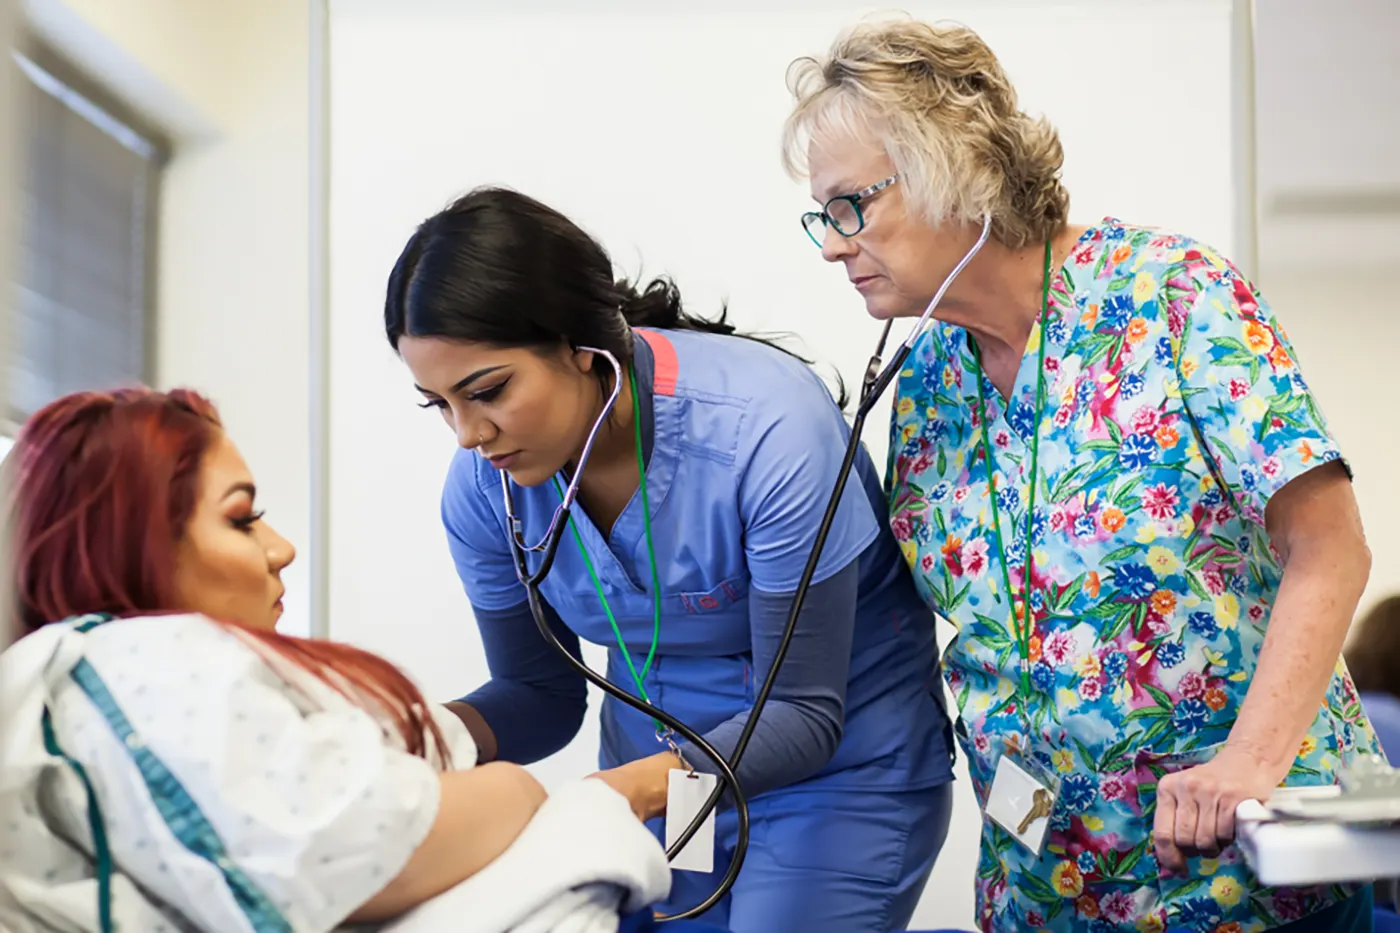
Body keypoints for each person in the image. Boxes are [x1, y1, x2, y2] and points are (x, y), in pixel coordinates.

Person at [781, 16, 1380, 933]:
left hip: (1239, 880)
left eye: (851, 206)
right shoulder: (929, 384)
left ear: (952, 166)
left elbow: (1331, 548)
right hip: (1043, 897)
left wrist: (1251, 762)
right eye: (822, 216)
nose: (833, 243)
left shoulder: (1170, 294)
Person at [384, 186, 957, 932]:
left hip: (834, 773)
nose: (467, 434)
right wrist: (418, 739)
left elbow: (805, 713)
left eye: (486, 391)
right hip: (659, 781)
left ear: (581, 347)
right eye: (439, 403)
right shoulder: (486, 493)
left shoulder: (767, 428)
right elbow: (538, 692)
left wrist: (610, 797)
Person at [0, 387, 685, 933]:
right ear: (132, 544)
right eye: (242, 519)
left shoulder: (100, 697)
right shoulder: (134, 660)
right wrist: (591, 796)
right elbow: (361, 845)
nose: (280, 548)